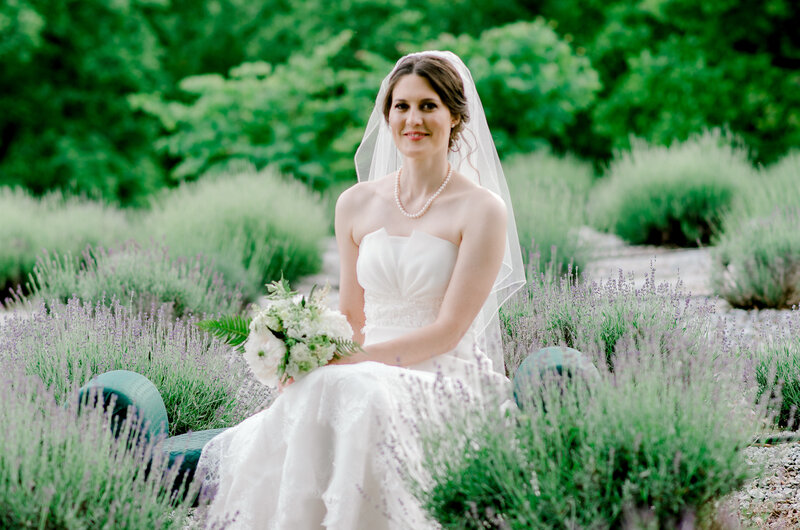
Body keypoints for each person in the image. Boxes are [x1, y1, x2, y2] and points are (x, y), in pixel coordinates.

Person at [196, 50, 525, 529]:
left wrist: (359, 360)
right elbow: (350, 317)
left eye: (428, 106)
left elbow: (449, 330)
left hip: (442, 372)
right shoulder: (355, 203)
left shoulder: (481, 210)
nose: (413, 119)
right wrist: (306, 356)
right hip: (362, 364)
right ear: (387, 114)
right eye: (401, 106)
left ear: (455, 116)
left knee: (358, 387)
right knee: (333, 383)